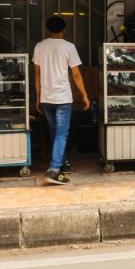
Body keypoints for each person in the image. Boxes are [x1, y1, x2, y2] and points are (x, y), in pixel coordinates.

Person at [33, 16, 90, 185]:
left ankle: (63, 162)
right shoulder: (69, 47)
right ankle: (54, 169)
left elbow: (37, 74)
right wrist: (85, 95)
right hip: (63, 98)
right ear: (64, 30)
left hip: (47, 98)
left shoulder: (40, 47)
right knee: (61, 133)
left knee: (55, 131)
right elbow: (76, 74)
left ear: (48, 30)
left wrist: (38, 97)